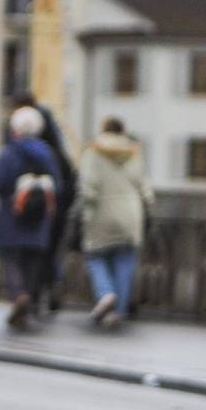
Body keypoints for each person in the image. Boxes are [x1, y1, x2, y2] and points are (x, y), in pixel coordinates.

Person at [0, 104, 61, 329]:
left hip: (12, 217)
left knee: (11, 260)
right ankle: (29, 298)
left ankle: (18, 295)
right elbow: (59, 185)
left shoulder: (9, 153)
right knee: (32, 263)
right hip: (39, 221)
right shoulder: (48, 154)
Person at [77, 116, 153, 328]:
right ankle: (118, 311)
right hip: (130, 213)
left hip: (101, 212)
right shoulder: (134, 152)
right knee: (125, 261)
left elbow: (88, 187)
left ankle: (106, 294)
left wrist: (85, 210)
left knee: (95, 256)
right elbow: (145, 187)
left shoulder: (92, 152)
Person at [9, 93, 75, 312]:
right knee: (50, 248)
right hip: (55, 202)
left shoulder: (23, 145)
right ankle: (53, 284)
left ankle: (31, 294)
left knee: (27, 252)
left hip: (30, 203)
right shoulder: (54, 146)